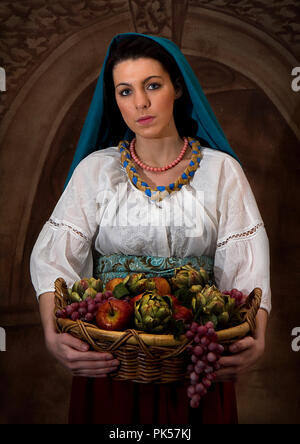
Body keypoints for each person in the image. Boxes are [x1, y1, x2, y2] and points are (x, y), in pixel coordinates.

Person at [30, 33, 271, 424]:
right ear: (115, 100)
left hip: (195, 363)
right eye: (125, 91)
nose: (139, 102)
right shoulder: (96, 172)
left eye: (152, 85)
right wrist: (51, 333)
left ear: (177, 87)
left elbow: (249, 267)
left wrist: (255, 337)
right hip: (110, 362)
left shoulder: (221, 172)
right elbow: (54, 259)